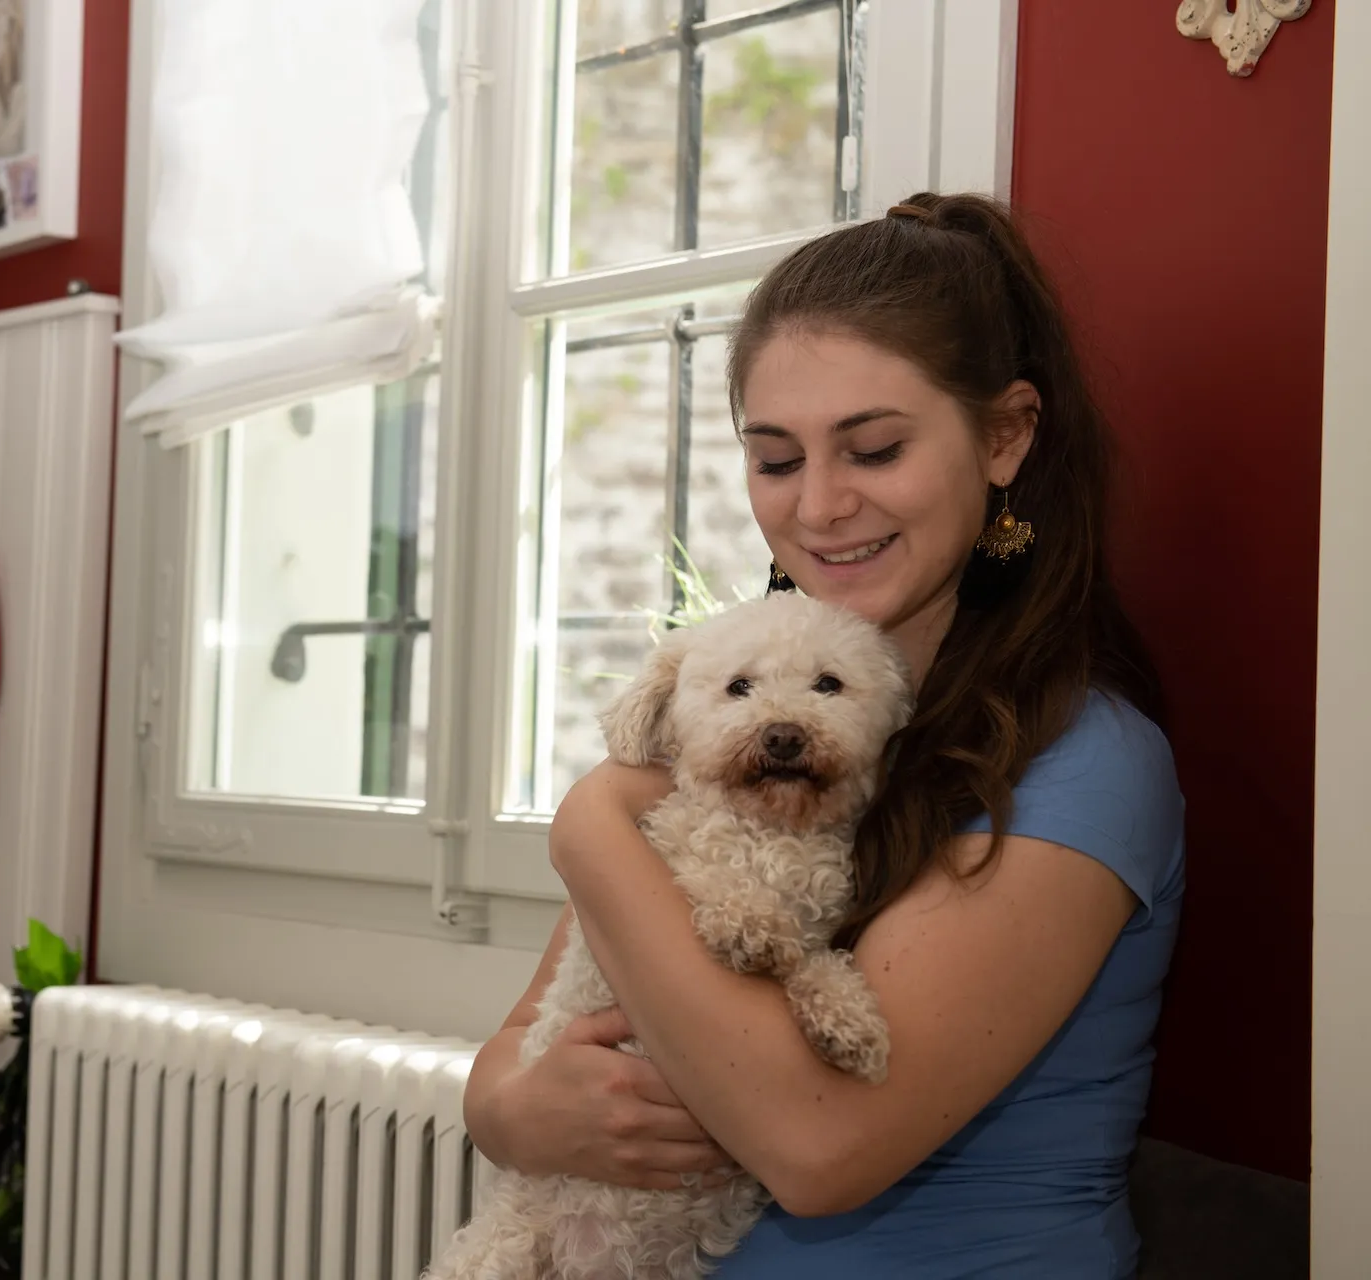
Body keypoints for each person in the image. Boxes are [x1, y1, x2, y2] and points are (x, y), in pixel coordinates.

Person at [461, 192, 1186, 1278]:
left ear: (1005, 436)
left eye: (875, 447)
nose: (821, 505)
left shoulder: (1085, 761)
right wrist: (524, 1110)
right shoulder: (727, 730)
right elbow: (504, 1071)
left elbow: (816, 1144)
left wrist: (591, 820)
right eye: (777, 458)